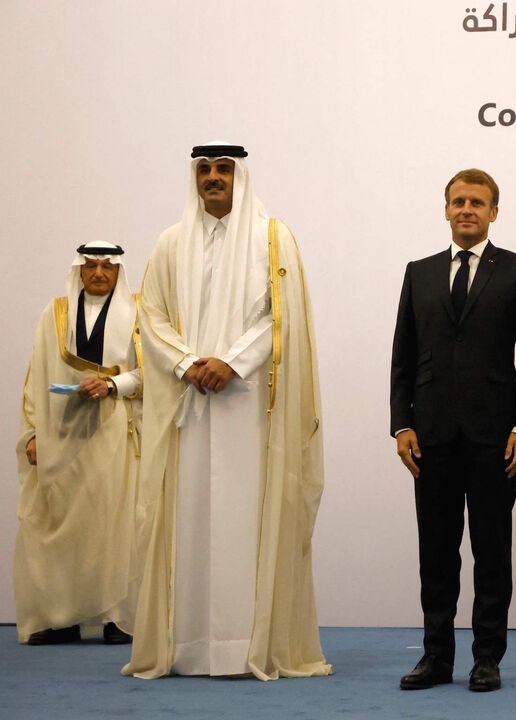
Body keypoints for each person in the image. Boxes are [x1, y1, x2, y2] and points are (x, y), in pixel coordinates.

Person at [124, 144, 330, 680]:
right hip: (188, 404)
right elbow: (152, 316)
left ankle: (246, 647)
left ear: (241, 175)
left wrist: (232, 363)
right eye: (204, 170)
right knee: (188, 520)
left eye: (223, 169)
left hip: (249, 409)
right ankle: (189, 647)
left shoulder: (272, 237)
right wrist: (190, 362)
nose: (213, 178)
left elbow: (282, 316)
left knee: (247, 520)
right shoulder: (170, 243)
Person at [391, 168, 516, 693]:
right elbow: (402, 358)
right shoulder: (420, 273)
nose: (466, 210)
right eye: (458, 201)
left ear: (494, 212)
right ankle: (436, 658)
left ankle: (487, 659)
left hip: (494, 436)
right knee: (435, 552)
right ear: (446, 209)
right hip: (430, 436)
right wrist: (401, 424)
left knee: (491, 550)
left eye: (477, 202)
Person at [15, 241, 141, 646]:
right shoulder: (54, 315)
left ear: (119, 272)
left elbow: (149, 375)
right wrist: (33, 433)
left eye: (107, 266)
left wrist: (111, 384)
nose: (99, 272)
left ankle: (117, 618)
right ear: (79, 270)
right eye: (91, 266)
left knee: (114, 526)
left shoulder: (139, 315)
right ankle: (60, 617)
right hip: (61, 434)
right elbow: (36, 376)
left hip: (114, 434)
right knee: (60, 525)